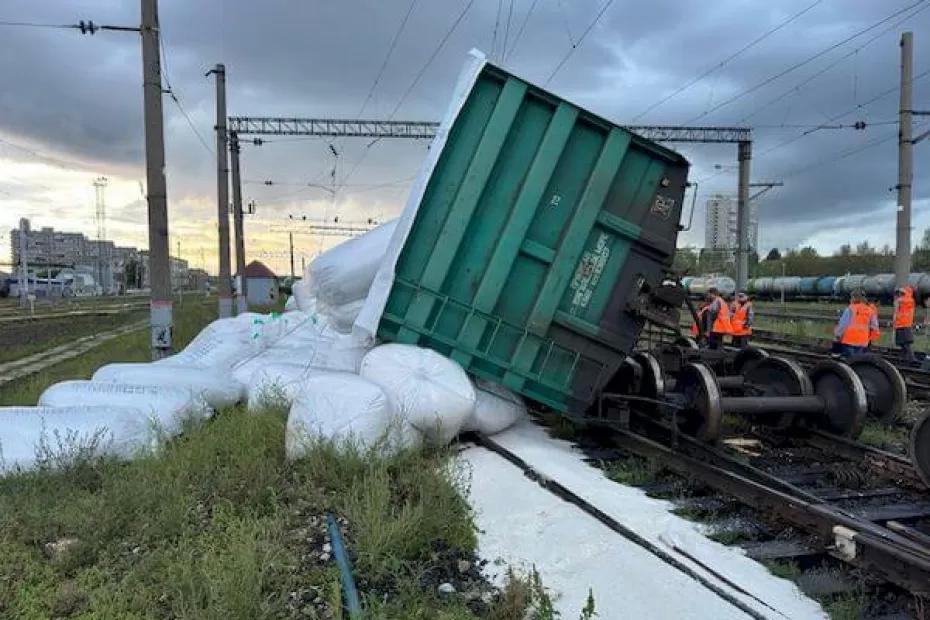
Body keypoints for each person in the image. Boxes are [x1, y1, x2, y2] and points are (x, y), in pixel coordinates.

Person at [835, 289, 877, 357]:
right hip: (863, 341)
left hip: (849, 340)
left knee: (848, 361)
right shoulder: (870, 310)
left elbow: (843, 325)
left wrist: (838, 335)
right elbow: (874, 327)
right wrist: (870, 339)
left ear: (854, 298)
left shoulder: (850, 309)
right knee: (858, 362)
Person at [893, 286, 916, 361]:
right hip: (907, 324)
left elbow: (896, 312)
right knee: (906, 342)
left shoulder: (899, 300)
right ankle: (904, 357)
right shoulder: (912, 301)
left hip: (900, 323)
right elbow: (912, 313)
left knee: (903, 343)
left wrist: (894, 321)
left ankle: (911, 358)